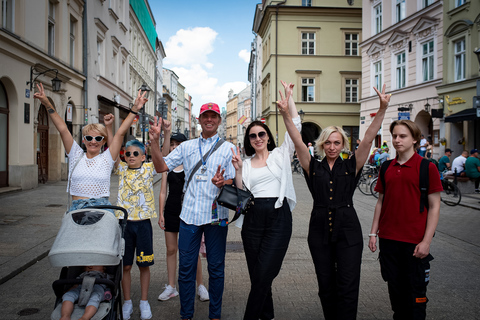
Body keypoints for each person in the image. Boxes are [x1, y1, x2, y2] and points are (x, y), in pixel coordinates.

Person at [279, 83, 390, 319]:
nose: (332, 147)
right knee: (326, 286)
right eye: (328, 142)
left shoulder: (352, 165)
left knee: (348, 285)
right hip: (319, 231)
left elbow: (369, 139)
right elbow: (297, 141)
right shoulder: (312, 166)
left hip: (348, 232)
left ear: (343, 146)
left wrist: (382, 109)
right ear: (322, 144)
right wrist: (285, 114)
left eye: (336, 143)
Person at [149, 102, 235, 320]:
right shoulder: (186, 147)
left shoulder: (228, 148)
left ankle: (215, 314)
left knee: (216, 269)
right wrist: (154, 142)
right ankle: (186, 314)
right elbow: (161, 167)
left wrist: (223, 182)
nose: (209, 119)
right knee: (186, 269)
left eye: (213, 116)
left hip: (217, 216)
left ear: (219, 120)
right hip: (189, 216)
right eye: (205, 116)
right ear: (199, 119)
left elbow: (235, 179)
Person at [230, 80, 300, 320]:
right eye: (253, 136)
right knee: (258, 275)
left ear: (268, 137)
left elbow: (296, 127)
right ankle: (267, 315)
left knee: (263, 274)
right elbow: (241, 195)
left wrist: (288, 100)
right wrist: (238, 171)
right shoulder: (246, 164)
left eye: (261, 134)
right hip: (253, 220)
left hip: (278, 218)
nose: (258, 138)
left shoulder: (281, 154)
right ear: (249, 141)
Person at [368, 119, 442, 320]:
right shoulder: (386, 167)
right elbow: (380, 202)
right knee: (396, 295)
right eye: (394, 136)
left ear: (415, 139)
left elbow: (435, 207)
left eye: (403, 136)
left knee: (416, 298)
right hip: (389, 241)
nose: (397, 140)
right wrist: (373, 233)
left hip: (414, 243)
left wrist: (426, 242)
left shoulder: (427, 168)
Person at [33, 83, 147, 211]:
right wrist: (47, 103)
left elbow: (120, 132)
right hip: (77, 209)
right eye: (89, 138)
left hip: (101, 209)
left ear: (103, 141)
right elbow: (63, 129)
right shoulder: (75, 153)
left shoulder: (107, 158)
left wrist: (135, 109)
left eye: (98, 138)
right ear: (83, 140)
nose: (93, 141)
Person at [114, 135, 165, 320]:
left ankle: (144, 301)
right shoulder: (121, 169)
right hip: (124, 224)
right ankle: (127, 301)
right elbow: (112, 152)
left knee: (144, 265)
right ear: (124, 156)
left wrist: (158, 140)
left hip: (143, 224)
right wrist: (111, 128)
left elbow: (163, 160)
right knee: (125, 266)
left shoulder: (149, 169)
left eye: (136, 153)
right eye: (128, 154)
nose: (131, 156)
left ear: (143, 156)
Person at [157, 131, 209, 302]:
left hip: (189, 211)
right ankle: (171, 287)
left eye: (177, 144)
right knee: (171, 250)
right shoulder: (168, 166)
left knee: (190, 251)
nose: (174, 147)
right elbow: (163, 191)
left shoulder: (190, 163)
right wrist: (160, 213)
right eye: (172, 144)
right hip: (171, 210)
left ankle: (200, 285)